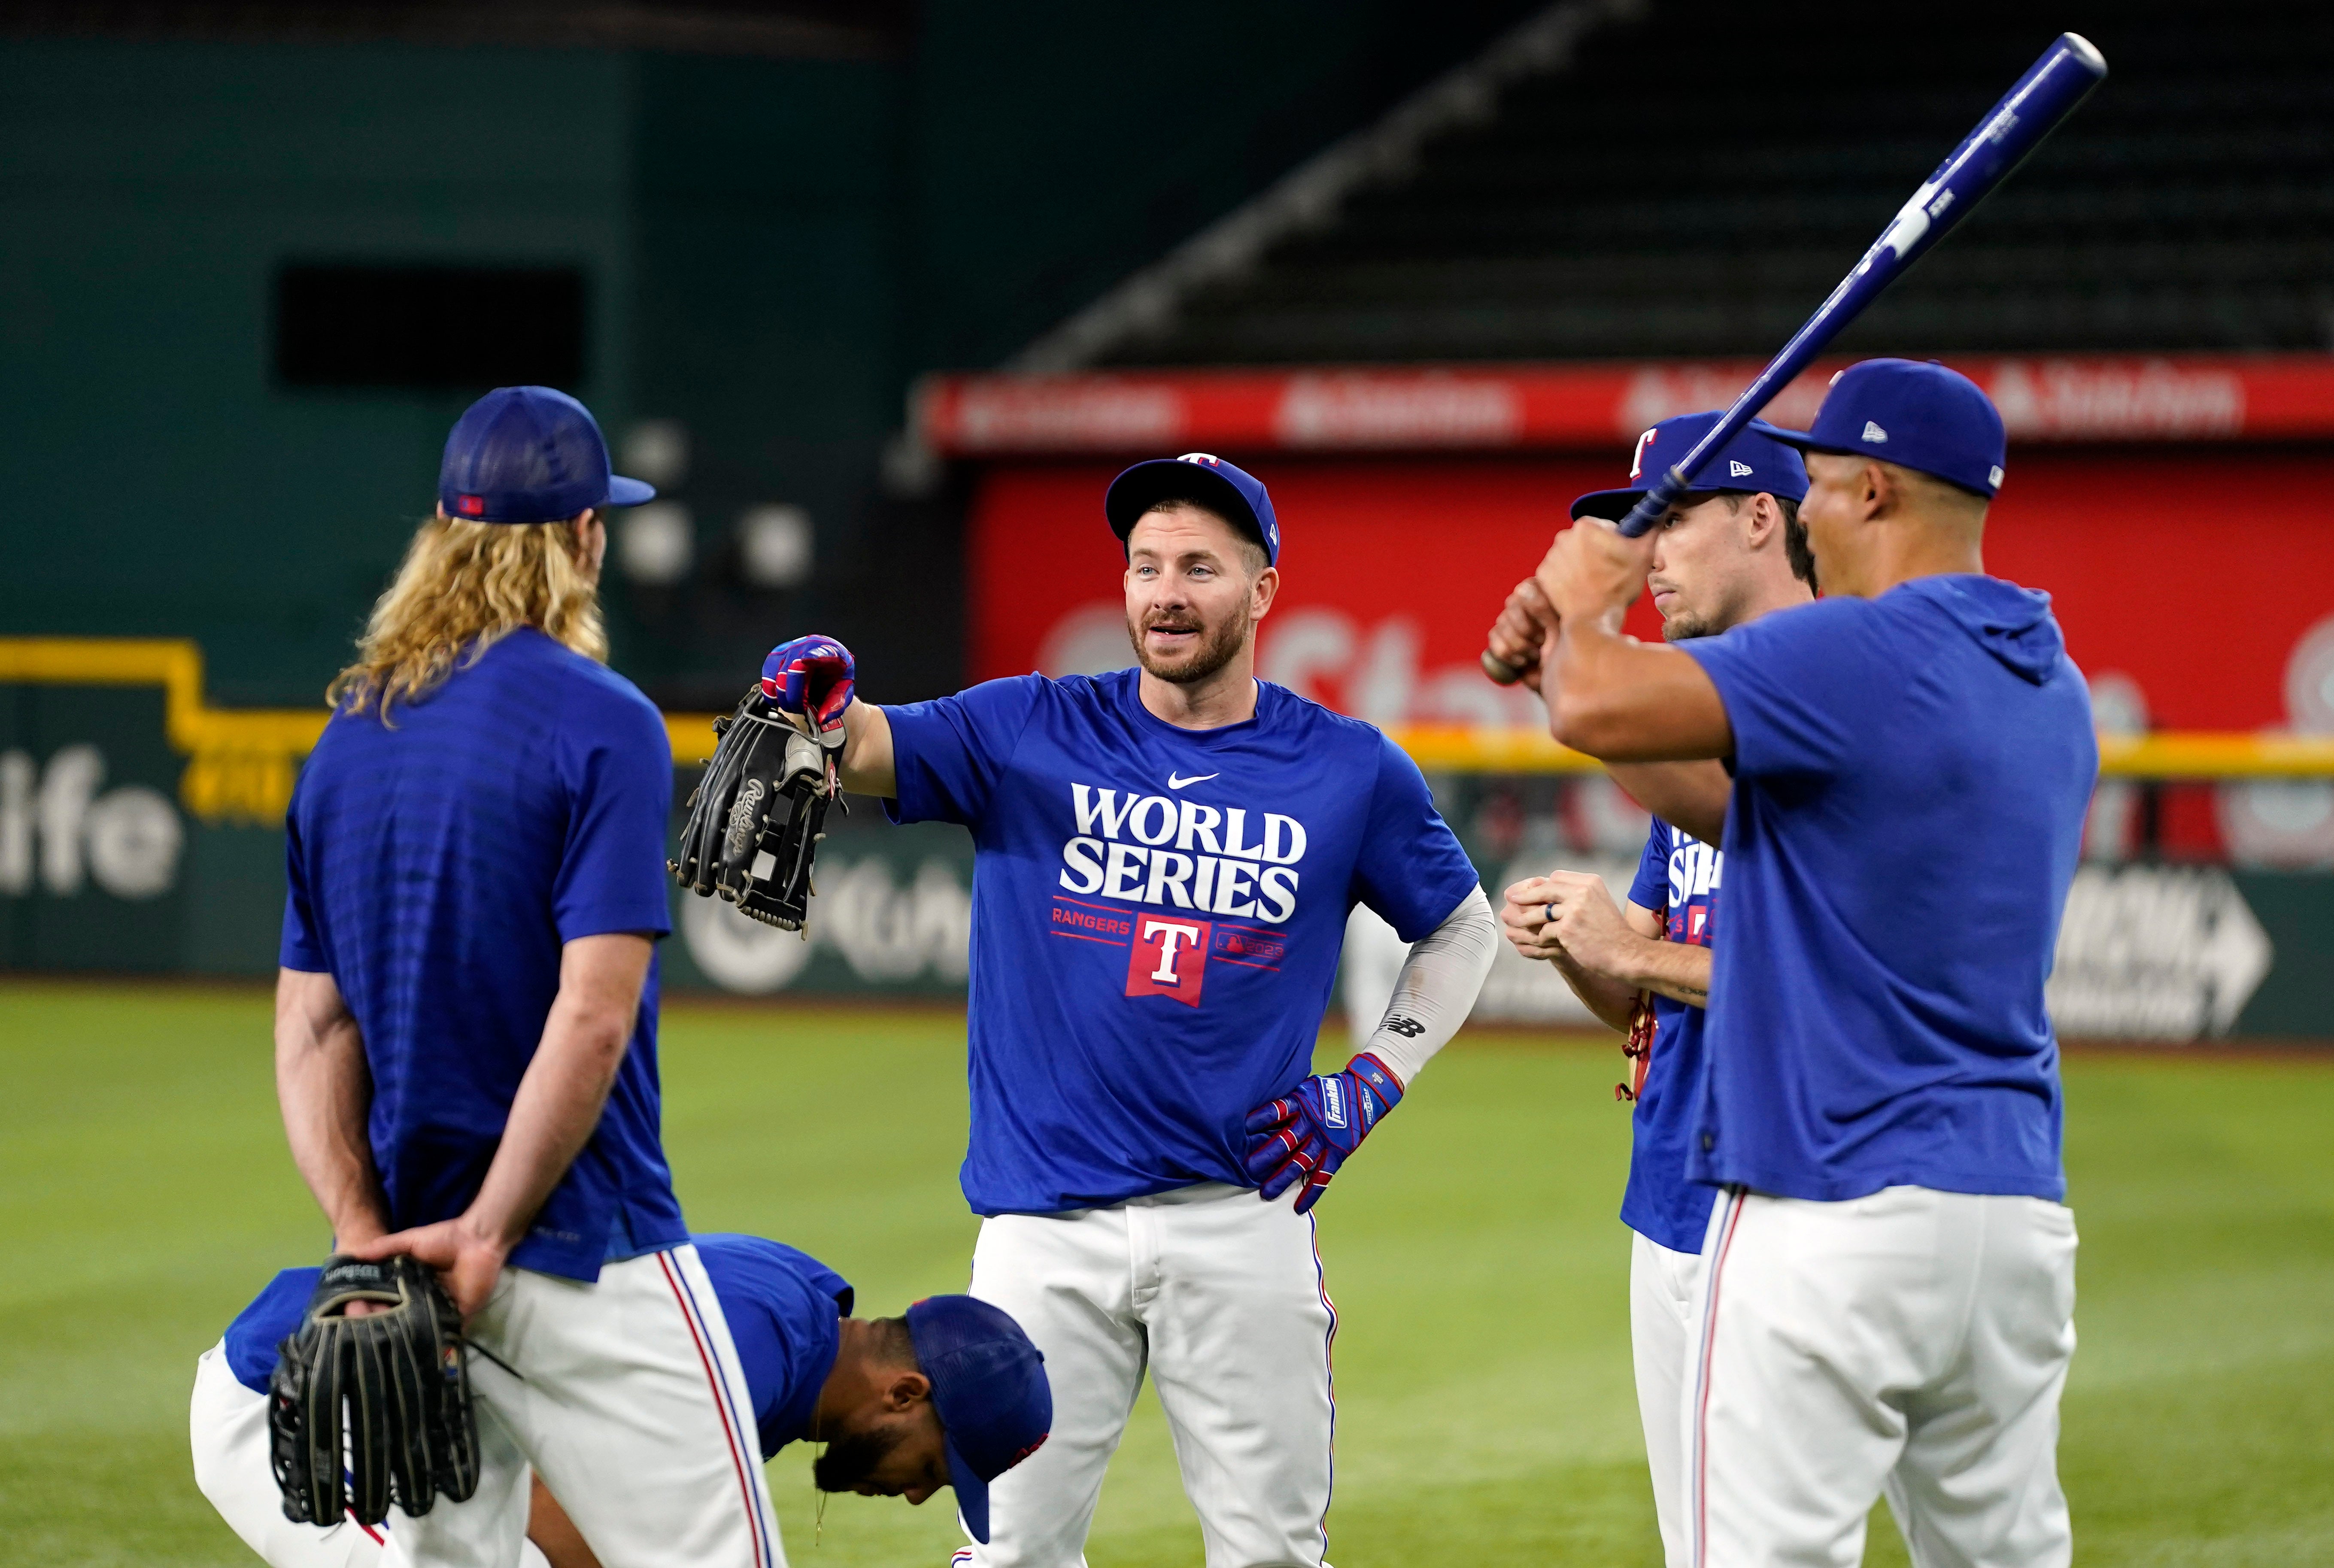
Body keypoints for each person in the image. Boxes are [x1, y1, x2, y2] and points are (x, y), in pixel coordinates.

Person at [750, 452, 1497, 1567]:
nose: (1164, 591)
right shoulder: (1028, 727)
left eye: (1199, 565)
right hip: (1042, 1229)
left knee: (1275, 1553)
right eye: (1145, 565)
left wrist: (1374, 1076)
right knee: (1010, 1552)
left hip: (1242, 1213)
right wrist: (814, 703)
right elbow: (866, 745)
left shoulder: (1347, 767)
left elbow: (1461, 925)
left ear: (1264, 588)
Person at [1496, 361, 2095, 1568]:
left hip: (1831, 1195)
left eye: (1819, 485)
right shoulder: (2044, 674)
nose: (1809, 511)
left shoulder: (1857, 651)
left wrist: (1581, 609)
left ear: (1872, 489)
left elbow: (1599, 707)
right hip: (2010, 1211)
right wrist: (1568, 652)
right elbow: (1739, 806)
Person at [275, 384, 774, 1568]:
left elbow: (309, 1024)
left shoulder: (349, 732)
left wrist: (362, 1237)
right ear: (584, 538)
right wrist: (494, 1227)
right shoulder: (605, 720)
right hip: (590, 1246)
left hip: (409, 1266)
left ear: (442, 533)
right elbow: (593, 1015)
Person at [1487, 413, 1815, 1568]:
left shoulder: (1827, 700)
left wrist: (1633, 954)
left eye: (1672, 519)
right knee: (1701, 1548)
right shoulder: (1694, 704)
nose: (1652, 550)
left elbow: (1832, 984)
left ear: (1765, 517)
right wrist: (1589, 940)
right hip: (1669, 1185)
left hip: (1790, 1194)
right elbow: (1644, 997)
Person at [191, 1235, 1051, 1568]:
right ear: (906, 1392)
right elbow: (542, 1506)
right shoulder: (747, 1351)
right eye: (933, 1468)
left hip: (420, 1413)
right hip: (306, 1401)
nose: (910, 1492)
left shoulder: (800, 1318)